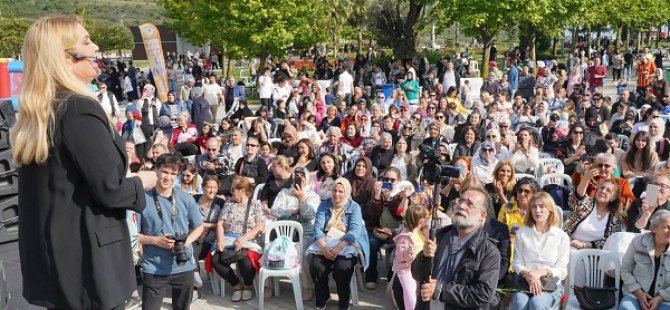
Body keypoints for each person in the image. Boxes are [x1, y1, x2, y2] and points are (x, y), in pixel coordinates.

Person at [13, 15, 154, 310]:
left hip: (57, 265)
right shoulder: (77, 109)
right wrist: (143, 182)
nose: (96, 46)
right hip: (89, 270)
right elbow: (110, 189)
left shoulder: (42, 111)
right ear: (65, 57)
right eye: (86, 41)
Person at [412, 187, 501, 309]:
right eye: (461, 201)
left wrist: (441, 290)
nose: (462, 206)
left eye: (470, 204)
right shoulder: (439, 236)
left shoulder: (489, 252)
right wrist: (423, 257)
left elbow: (484, 294)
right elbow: (417, 274)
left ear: (482, 215)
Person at [137, 154, 204, 310]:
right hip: (153, 267)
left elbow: (199, 227)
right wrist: (155, 241)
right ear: (156, 171)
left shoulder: (186, 198)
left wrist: (186, 243)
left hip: (183, 265)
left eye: (173, 173)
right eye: (165, 172)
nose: (168, 177)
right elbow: (134, 235)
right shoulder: (142, 200)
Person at [308, 178, 370, 310]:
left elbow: (354, 231)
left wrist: (338, 247)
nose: (337, 194)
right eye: (335, 190)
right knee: (316, 266)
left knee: (342, 268)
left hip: (347, 243)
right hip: (326, 241)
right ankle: (323, 296)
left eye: (341, 191)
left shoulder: (354, 207)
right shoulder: (324, 205)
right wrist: (324, 247)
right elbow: (317, 228)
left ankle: (344, 300)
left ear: (347, 192)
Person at [510, 192, 570, 309]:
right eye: (534, 207)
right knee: (519, 303)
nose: (537, 210)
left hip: (550, 285)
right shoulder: (522, 233)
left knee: (537, 304)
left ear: (550, 210)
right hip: (524, 282)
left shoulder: (561, 236)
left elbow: (562, 270)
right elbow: (517, 263)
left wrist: (541, 272)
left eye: (542, 206)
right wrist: (529, 275)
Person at [212, 177, 266, 302]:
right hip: (228, 239)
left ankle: (247, 286)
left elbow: (260, 226)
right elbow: (220, 223)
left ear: (241, 190)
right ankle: (237, 286)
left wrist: (244, 238)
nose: (231, 192)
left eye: (233, 190)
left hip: (249, 240)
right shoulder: (229, 204)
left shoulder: (255, 204)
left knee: (245, 261)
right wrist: (220, 240)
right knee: (216, 259)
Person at [620, 210, 670, 310]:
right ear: (654, 228)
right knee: (626, 308)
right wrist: (639, 293)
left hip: (665, 300)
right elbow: (625, 270)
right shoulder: (638, 242)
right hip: (635, 295)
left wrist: (660, 298)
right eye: (668, 227)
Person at [565, 179, 625, 250]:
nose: (603, 191)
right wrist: (587, 177)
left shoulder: (615, 218)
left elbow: (609, 241)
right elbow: (573, 199)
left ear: (613, 197)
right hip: (569, 244)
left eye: (608, 190)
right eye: (602, 187)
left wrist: (585, 245)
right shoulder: (587, 203)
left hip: (593, 254)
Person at [391, 203, 429, 310]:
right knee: (410, 297)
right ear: (421, 221)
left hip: (418, 268)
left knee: (418, 295)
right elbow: (399, 256)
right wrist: (409, 251)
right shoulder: (405, 237)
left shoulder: (420, 233)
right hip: (406, 271)